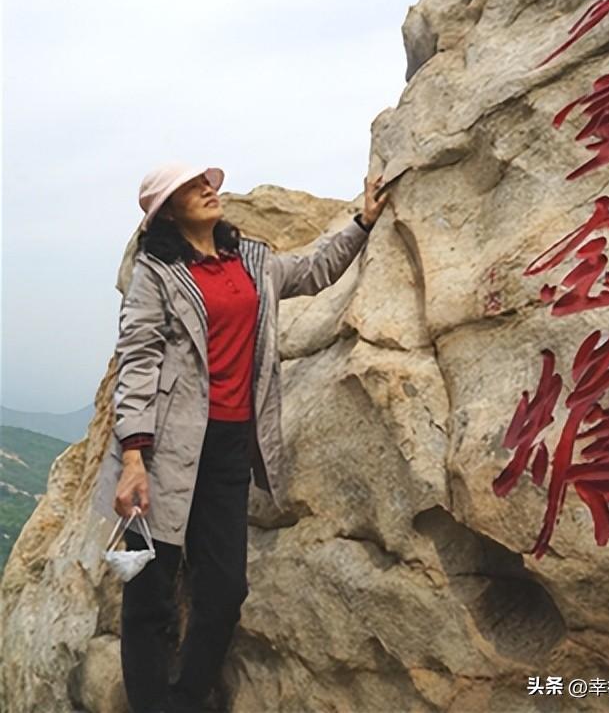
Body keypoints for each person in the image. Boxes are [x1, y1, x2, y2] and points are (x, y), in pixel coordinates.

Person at [91, 161, 389, 713]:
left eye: (207, 182)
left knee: (226, 588)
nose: (208, 189)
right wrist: (133, 455)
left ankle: (188, 695)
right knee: (151, 591)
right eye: (191, 187)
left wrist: (363, 221)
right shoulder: (156, 273)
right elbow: (139, 360)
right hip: (165, 450)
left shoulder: (250, 261)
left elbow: (312, 271)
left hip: (229, 445)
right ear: (168, 211)